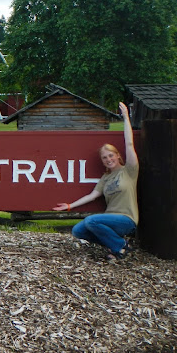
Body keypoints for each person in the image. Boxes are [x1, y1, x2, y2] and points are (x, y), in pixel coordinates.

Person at [53, 102, 138, 260]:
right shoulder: (105, 178)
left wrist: (126, 117)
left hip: (126, 219)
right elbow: (92, 196)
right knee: (78, 231)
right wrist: (70, 205)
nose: (108, 159)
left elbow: (129, 143)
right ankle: (116, 247)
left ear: (118, 156)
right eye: (104, 158)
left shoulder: (129, 171)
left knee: (91, 220)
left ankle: (120, 246)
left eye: (111, 155)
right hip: (109, 220)